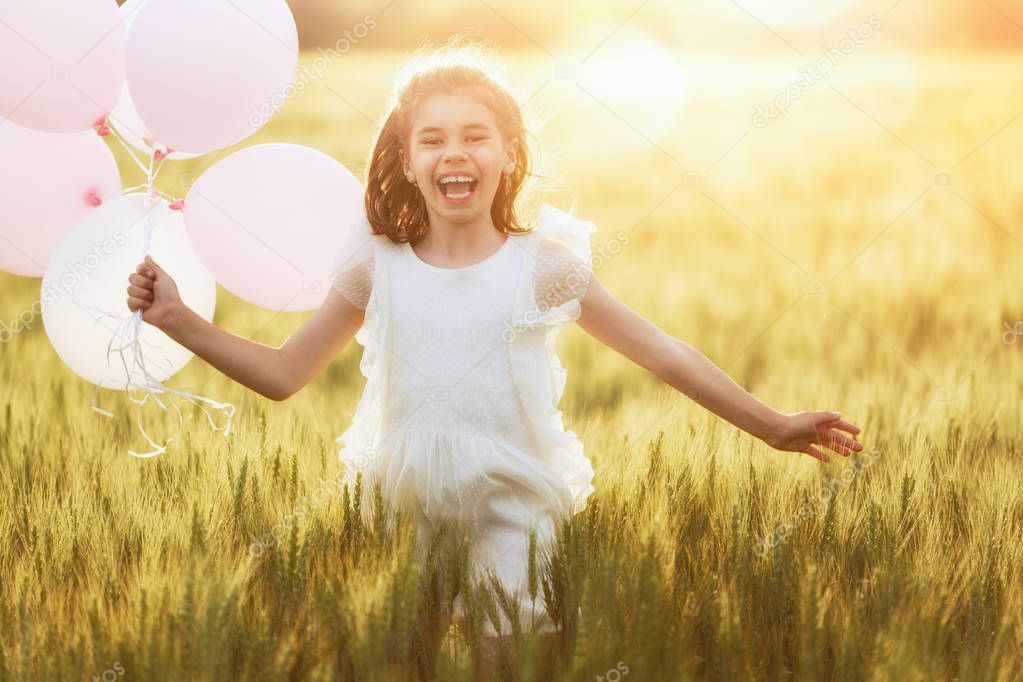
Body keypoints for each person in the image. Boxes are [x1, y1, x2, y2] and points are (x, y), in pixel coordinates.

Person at [125, 38, 863, 677]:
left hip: (514, 503)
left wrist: (770, 424)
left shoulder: (544, 264)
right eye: (432, 139)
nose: (455, 153)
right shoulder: (375, 264)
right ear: (405, 161)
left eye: (475, 136)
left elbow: (664, 354)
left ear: (509, 155)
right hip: (399, 506)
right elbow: (285, 375)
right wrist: (179, 320)